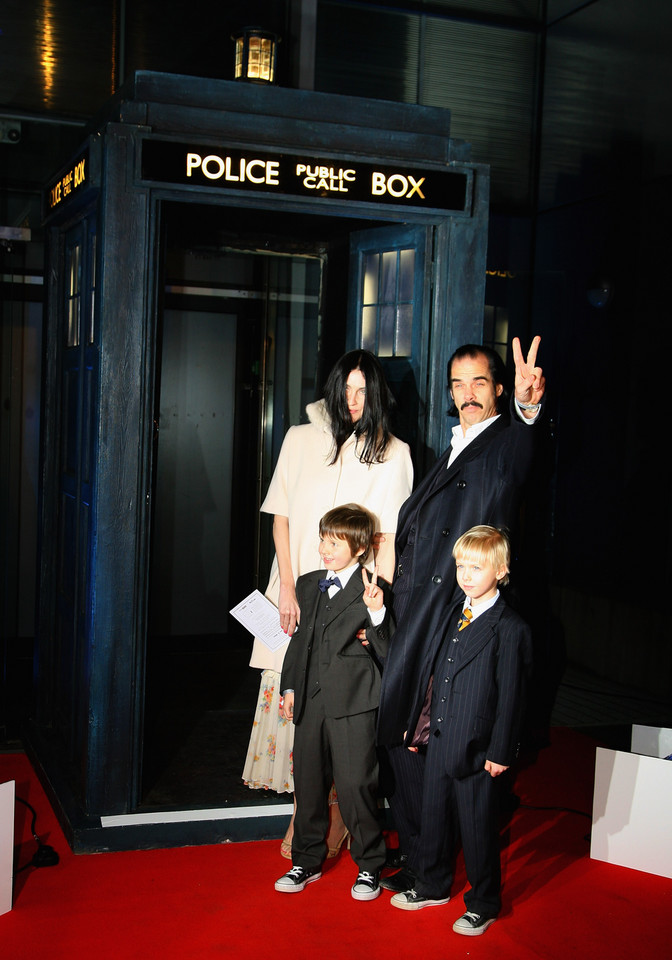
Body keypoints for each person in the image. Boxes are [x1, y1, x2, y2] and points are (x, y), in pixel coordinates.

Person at [377, 336, 545, 892]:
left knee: (423, 739)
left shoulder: (501, 445)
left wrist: (526, 409)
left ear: (498, 387)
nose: (468, 394)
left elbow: (522, 461)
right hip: (415, 613)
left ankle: (431, 870)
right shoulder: (451, 447)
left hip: (451, 618)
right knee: (405, 741)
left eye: (480, 383)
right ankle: (424, 855)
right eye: (458, 384)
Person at [242, 350, 413, 857]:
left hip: (347, 606)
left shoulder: (394, 452)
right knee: (294, 698)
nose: (353, 401)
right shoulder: (298, 438)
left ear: (377, 394)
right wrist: (288, 588)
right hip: (294, 593)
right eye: (347, 389)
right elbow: (280, 517)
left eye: (364, 391)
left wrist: (364, 613)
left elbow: (385, 542)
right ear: (334, 389)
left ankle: (335, 816)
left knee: (341, 707)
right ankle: (307, 813)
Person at [389, 526, 532, 936]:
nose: (466, 574)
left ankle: (483, 902)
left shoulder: (510, 627)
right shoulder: (454, 612)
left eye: (477, 566)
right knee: (434, 820)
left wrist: (502, 751)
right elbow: (436, 678)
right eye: (461, 565)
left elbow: (512, 699)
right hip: (439, 740)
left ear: (501, 570)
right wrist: (420, 729)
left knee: (477, 829)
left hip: (478, 748)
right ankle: (432, 885)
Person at [274, 505, 392, 901]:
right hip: (310, 699)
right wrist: (290, 687)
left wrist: (377, 614)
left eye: (334, 542)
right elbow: (298, 643)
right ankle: (306, 861)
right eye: (323, 538)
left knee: (357, 784)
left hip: (355, 702)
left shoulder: (373, 589)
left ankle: (371, 866)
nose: (324, 548)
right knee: (307, 783)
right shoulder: (308, 585)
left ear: (359, 549)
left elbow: (389, 652)